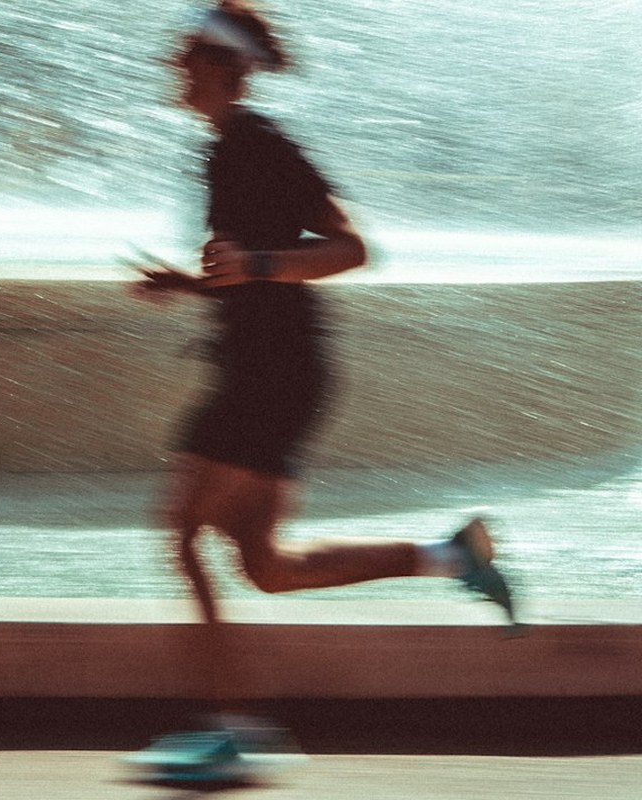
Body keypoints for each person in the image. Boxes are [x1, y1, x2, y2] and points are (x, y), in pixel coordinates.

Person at [123, 3, 519, 781]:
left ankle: (232, 730)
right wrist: (191, 283)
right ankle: (450, 556)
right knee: (265, 566)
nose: (171, 65)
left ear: (218, 67)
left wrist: (259, 268)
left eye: (184, 56)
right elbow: (251, 275)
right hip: (263, 367)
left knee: (179, 531)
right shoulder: (221, 149)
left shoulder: (263, 145)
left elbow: (354, 247)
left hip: (274, 374)